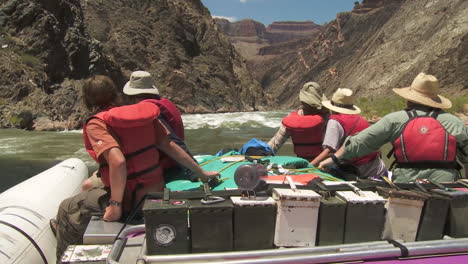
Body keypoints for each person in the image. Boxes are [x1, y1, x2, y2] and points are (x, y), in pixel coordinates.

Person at [55, 75, 219, 261]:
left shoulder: (97, 123)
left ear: (87, 100)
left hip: (130, 201)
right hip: (156, 193)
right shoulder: (141, 114)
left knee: (67, 208)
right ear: (115, 94)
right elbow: (170, 145)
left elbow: (117, 162)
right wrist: (201, 173)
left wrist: (115, 205)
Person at [319, 73, 468, 183]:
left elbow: (360, 142)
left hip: (405, 185)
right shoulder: (454, 123)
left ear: (410, 99)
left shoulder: (395, 120)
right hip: (445, 185)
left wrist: (333, 159)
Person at [81, 71, 193, 190]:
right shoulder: (155, 107)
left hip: (141, 174)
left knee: (86, 185)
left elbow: (112, 160)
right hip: (154, 170)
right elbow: (169, 142)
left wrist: (116, 204)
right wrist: (198, 171)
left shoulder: (96, 122)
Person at [312, 88, 387, 179]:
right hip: (376, 168)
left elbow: (329, 150)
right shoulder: (361, 119)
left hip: (355, 170)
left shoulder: (335, 121)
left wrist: (310, 165)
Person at [268, 82, 328, 163]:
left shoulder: (326, 119)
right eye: (307, 104)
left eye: (311, 105)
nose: (309, 107)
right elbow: (275, 143)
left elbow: (329, 148)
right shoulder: (292, 119)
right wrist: (264, 154)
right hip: (301, 161)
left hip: (323, 163)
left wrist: (314, 164)